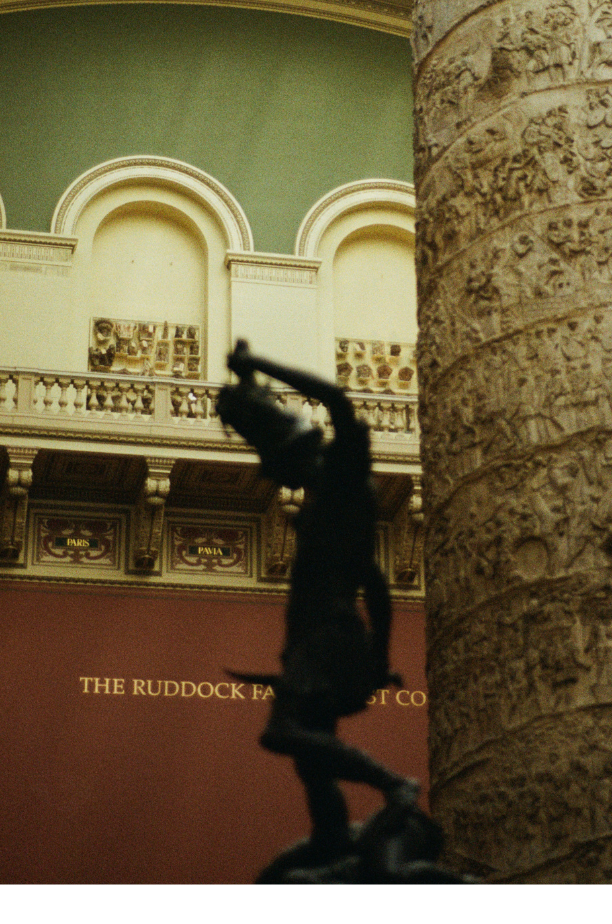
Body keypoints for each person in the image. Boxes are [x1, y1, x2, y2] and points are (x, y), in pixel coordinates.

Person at [215, 340, 419, 873]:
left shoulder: (343, 474)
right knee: (313, 764)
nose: (272, 473)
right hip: (316, 637)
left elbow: (336, 398)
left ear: (291, 451)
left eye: (273, 460)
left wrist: (260, 364)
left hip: (328, 635)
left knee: (281, 732)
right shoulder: (324, 492)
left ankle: (394, 783)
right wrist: (378, 656)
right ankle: (331, 840)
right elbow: (375, 583)